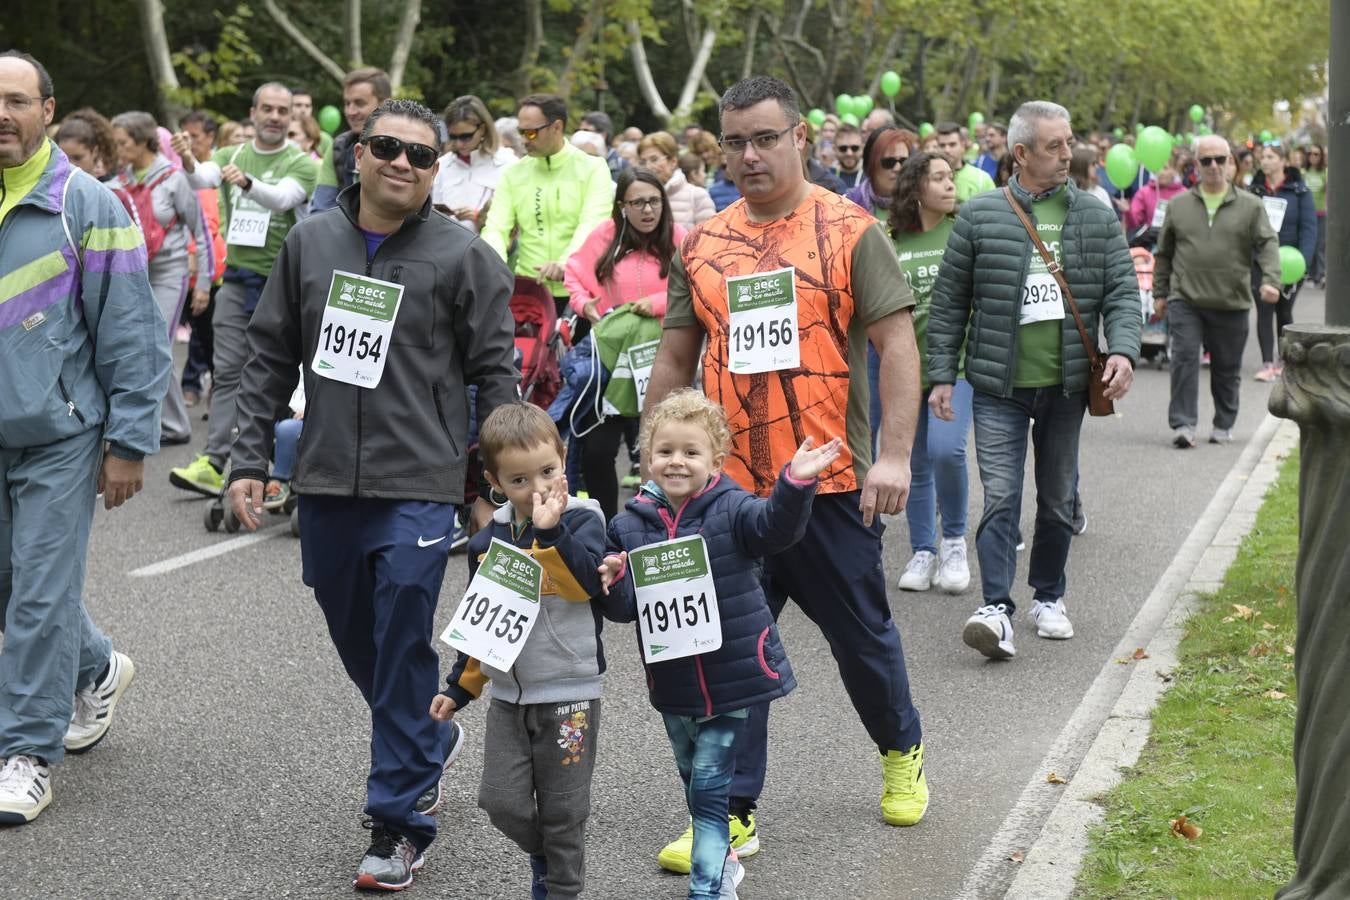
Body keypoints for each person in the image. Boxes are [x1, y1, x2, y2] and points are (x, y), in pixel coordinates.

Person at [224, 98, 519, 889]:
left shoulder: (465, 256)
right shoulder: (311, 241)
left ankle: (399, 823)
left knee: (399, 637)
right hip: (324, 478)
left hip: (419, 484)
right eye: (387, 146)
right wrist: (248, 458)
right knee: (355, 626)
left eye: (422, 156)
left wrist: (499, 490)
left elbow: (497, 378)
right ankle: (427, 738)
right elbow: (268, 357)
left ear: (436, 171)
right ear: (357, 152)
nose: (403, 163)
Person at [643, 76, 930, 873]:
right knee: (728, 646)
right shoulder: (702, 245)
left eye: (765, 138)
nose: (750, 155)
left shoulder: (849, 229)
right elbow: (675, 358)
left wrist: (896, 456)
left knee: (860, 638)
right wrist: (653, 465)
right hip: (728, 493)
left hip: (827, 485)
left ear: (800, 137)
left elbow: (898, 346)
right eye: (734, 141)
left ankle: (901, 747)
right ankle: (732, 813)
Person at [0, 49, 171, 824]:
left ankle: (27, 754)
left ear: (46, 109)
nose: (2, 114)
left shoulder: (91, 203)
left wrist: (130, 441)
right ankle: (98, 666)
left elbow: (132, 332)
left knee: (37, 594)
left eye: (16, 100)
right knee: (13, 593)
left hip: (60, 435)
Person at [600, 390, 839, 900]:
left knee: (711, 789)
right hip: (674, 683)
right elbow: (621, 609)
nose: (677, 461)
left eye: (691, 452)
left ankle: (709, 890)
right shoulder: (626, 525)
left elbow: (775, 531)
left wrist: (794, 483)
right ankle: (725, 861)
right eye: (665, 451)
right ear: (646, 456)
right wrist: (614, 578)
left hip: (734, 678)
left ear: (715, 460)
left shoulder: (734, 509)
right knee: (694, 784)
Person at [927, 100, 1140, 660]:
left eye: (1068, 142)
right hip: (998, 386)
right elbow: (949, 302)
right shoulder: (979, 215)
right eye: (1054, 146)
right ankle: (995, 607)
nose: (1067, 153)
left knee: (1057, 499)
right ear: (1020, 154)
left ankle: (1049, 595)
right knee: (1001, 496)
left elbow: (1121, 291)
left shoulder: (1095, 216)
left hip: (1068, 386)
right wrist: (941, 375)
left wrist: (1123, 350)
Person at [434, 402, 619, 900]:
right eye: (519, 480)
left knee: (564, 809)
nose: (536, 488)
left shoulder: (585, 520)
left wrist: (550, 530)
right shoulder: (485, 541)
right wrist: (460, 687)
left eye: (547, 472)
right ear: (496, 482)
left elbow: (586, 585)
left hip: (570, 691)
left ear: (563, 459)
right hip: (509, 698)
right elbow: (482, 620)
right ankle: (550, 856)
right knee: (501, 803)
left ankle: (560, 886)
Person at [167, 83, 317, 496]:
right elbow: (201, 178)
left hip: (281, 282)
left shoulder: (301, 161)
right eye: (266, 109)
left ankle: (278, 466)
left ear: (292, 117)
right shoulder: (232, 154)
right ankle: (215, 462)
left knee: (279, 373)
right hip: (235, 278)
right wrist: (185, 157)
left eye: (281, 110)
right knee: (229, 370)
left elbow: (284, 198)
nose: (273, 116)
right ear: (253, 112)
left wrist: (249, 184)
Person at [565, 168, 688, 518]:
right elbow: (574, 272)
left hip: (666, 357)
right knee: (597, 452)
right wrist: (582, 303)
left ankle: (666, 526)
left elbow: (697, 282)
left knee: (664, 451)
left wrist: (658, 303)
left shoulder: (679, 236)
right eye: (638, 203)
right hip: (616, 363)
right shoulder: (605, 236)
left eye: (654, 201)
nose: (648, 210)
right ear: (622, 206)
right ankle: (604, 532)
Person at [1152, 136, 1281, 447]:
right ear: (1195, 165)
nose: (1213, 166)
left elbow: (1267, 244)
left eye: (1219, 160)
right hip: (1186, 299)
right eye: (1206, 160)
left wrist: (1271, 280)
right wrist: (1159, 293)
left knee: (1226, 369)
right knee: (1183, 360)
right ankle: (1183, 424)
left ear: (1230, 164)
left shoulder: (1250, 205)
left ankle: (1223, 423)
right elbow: (1165, 252)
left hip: (1231, 300)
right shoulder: (1179, 205)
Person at [888, 152, 972, 594]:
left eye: (950, 177)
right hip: (905, 369)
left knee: (946, 451)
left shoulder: (961, 232)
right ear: (916, 188)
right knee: (914, 462)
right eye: (938, 178)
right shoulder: (891, 239)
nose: (948, 185)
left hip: (957, 368)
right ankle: (923, 549)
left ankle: (954, 540)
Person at [109, 111, 212, 446]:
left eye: (122, 142)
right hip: (134, 275)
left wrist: (204, 283)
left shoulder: (174, 177)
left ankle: (170, 425)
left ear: (143, 142)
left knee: (157, 348)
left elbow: (201, 231)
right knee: (141, 348)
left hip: (170, 273)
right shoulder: (119, 179)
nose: (117, 148)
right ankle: (166, 422)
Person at [481, 94, 614, 314]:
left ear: (557, 127)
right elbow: (495, 227)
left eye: (531, 132)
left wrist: (566, 263)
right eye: (521, 132)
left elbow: (593, 224)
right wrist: (493, 265)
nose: (524, 139)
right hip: (530, 291)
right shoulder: (513, 173)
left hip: (582, 290)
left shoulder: (593, 167)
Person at [844, 126, 916, 443]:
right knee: (865, 432)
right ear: (872, 164)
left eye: (905, 161)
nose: (898, 168)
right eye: (889, 162)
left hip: (919, 336)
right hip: (866, 338)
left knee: (920, 449)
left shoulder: (926, 209)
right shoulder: (849, 207)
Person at [1249, 141, 1318, 382]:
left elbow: (1309, 229)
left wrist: (1303, 262)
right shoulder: (1255, 190)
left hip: (1291, 262)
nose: (1264, 161)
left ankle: (1283, 361)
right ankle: (1268, 363)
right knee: (1264, 309)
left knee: (1284, 309)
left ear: (1282, 161)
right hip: (1260, 260)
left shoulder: (1299, 190)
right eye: (1263, 157)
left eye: (1270, 157)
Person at [176, 110, 226, 408]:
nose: (188, 143)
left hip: (211, 266)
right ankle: (207, 388)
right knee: (201, 333)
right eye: (184, 136)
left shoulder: (210, 172)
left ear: (210, 137)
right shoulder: (178, 169)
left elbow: (207, 223)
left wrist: (195, 255)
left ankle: (219, 392)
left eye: (194, 137)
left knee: (210, 335)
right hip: (186, 266)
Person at [431, 95, 516, 234]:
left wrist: (480, 217)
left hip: (490, 249)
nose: (459, 143)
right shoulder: (443, 165)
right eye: (453, 137)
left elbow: (516, 220)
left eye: (466, 137)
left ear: (482, 129)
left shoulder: (508, 163)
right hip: (446, 246)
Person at [311, 67, 391, 212]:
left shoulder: (409, 150)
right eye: (347, 103)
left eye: (359, 103)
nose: (350, 112)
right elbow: (321, 210)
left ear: (385, 105)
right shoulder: (339, 147)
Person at [637, 130, 714, 228]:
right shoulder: (635, 197)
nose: (648, 166)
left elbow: (708, 239)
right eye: (642, 162)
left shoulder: (697, 196)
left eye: (654, 159)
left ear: (673, 161)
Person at [1124, 148, 1188, 245]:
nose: (1161, 172)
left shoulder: (1184, 193)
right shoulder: (1144, 192)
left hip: (1176, 246)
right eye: (1158, 168)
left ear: (1175, 170)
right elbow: (1135, 225)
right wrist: (1127, 212)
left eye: (1165, 168)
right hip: (1150, 246)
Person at [935, 121, 996, 205]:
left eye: (952, 144)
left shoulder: (981, 178)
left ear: (963, 145)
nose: (947, 150)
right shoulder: (927, 178)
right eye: (942, 145)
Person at [53, 108, 116, 177]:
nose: (70, 165)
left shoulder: (111, 186)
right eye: (63, 158)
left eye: (77, 158)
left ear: (95, 152)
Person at [690, 131, 739, 211]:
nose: (704, 156)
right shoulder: (698, 171)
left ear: (713, 148)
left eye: (706, 150)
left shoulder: (724, 165)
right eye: (700, 153)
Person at [581, 110, 629, 182]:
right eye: (578, 131)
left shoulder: (620, 165)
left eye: (586, 131)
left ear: (603, 135)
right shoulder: (578, 161)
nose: (580, 135)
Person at [1303, 143, 1326, 287]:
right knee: (1310, 243)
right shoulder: (1304, 172)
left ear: (1321, 156)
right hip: (1307, 214)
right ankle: (1310, 275)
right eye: (1310, 153)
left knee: (1320, 245)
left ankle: (1321, 274)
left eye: (1316, 154)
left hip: (1321, 213)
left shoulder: (1325, 172)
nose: (1313, 156)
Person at [831, 122, 865, 189]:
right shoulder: (826, 177)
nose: (849, 153)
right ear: (834, 149)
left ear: (862, 148)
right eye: (843, 148)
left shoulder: (871, 178)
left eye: (855, 148)